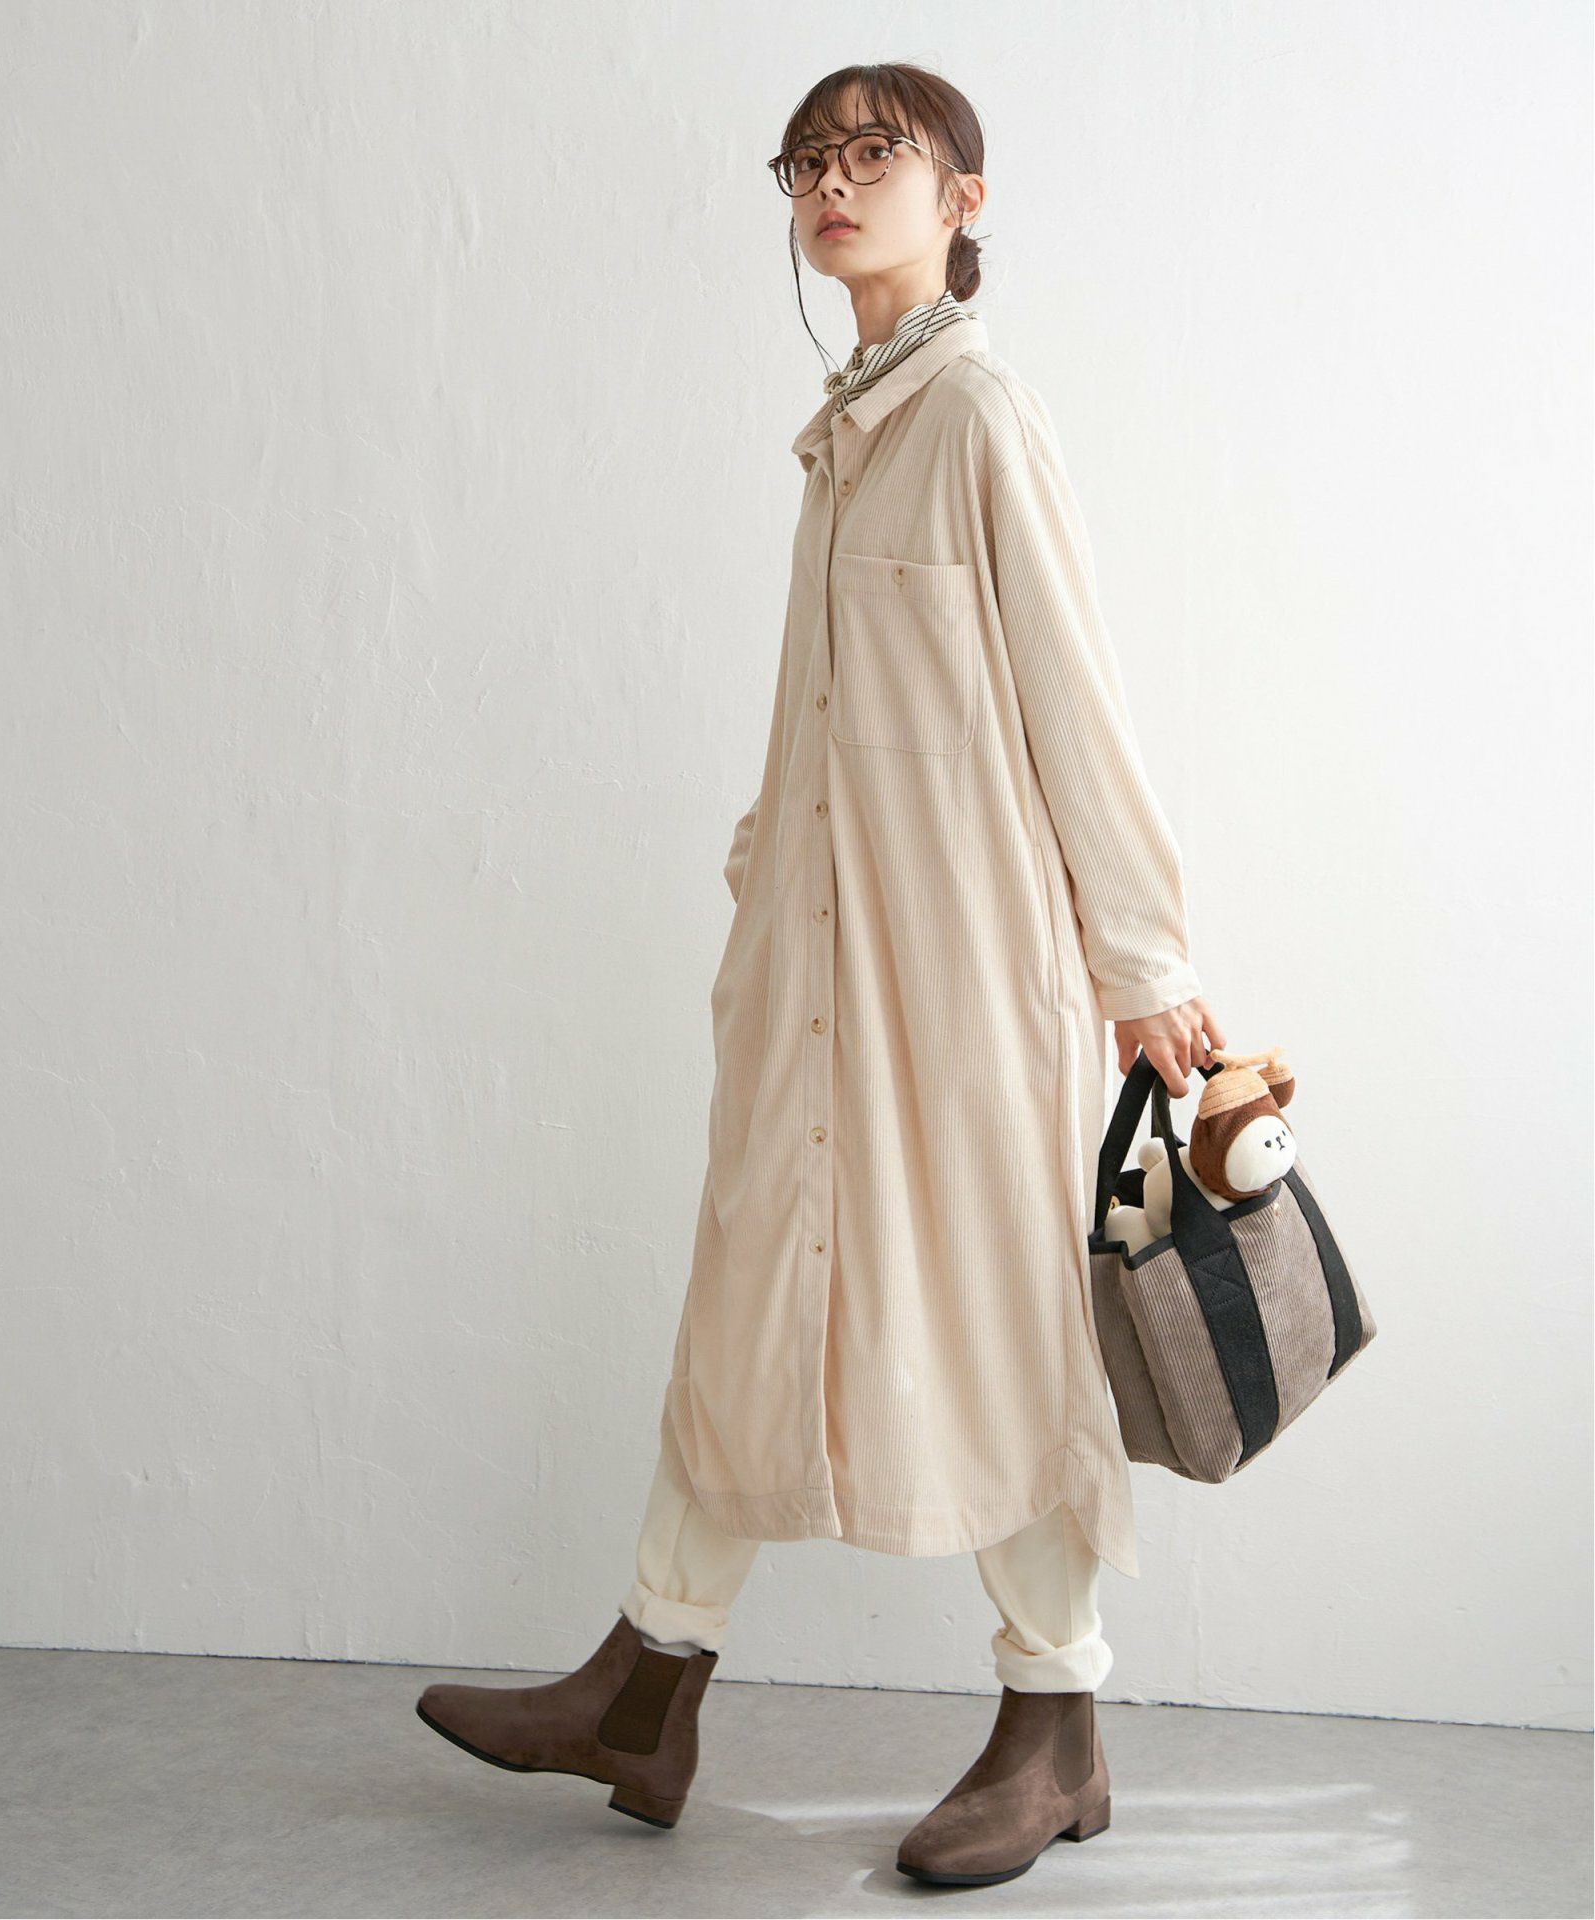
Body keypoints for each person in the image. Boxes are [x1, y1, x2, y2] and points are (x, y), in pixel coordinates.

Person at [417, 61, 1226, 1889]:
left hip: (960, 975)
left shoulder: (980, 419)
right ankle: (648, 1682)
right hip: (809, 965)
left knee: (999, 1318)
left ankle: (1057, 1727)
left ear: (965, 199)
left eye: (878, 154)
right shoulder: (845, 435)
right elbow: (823, 717)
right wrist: (758, 886)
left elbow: (1076, 700)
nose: (834, 185)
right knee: (748, 1299)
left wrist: (1145, 957)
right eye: (810, 161)